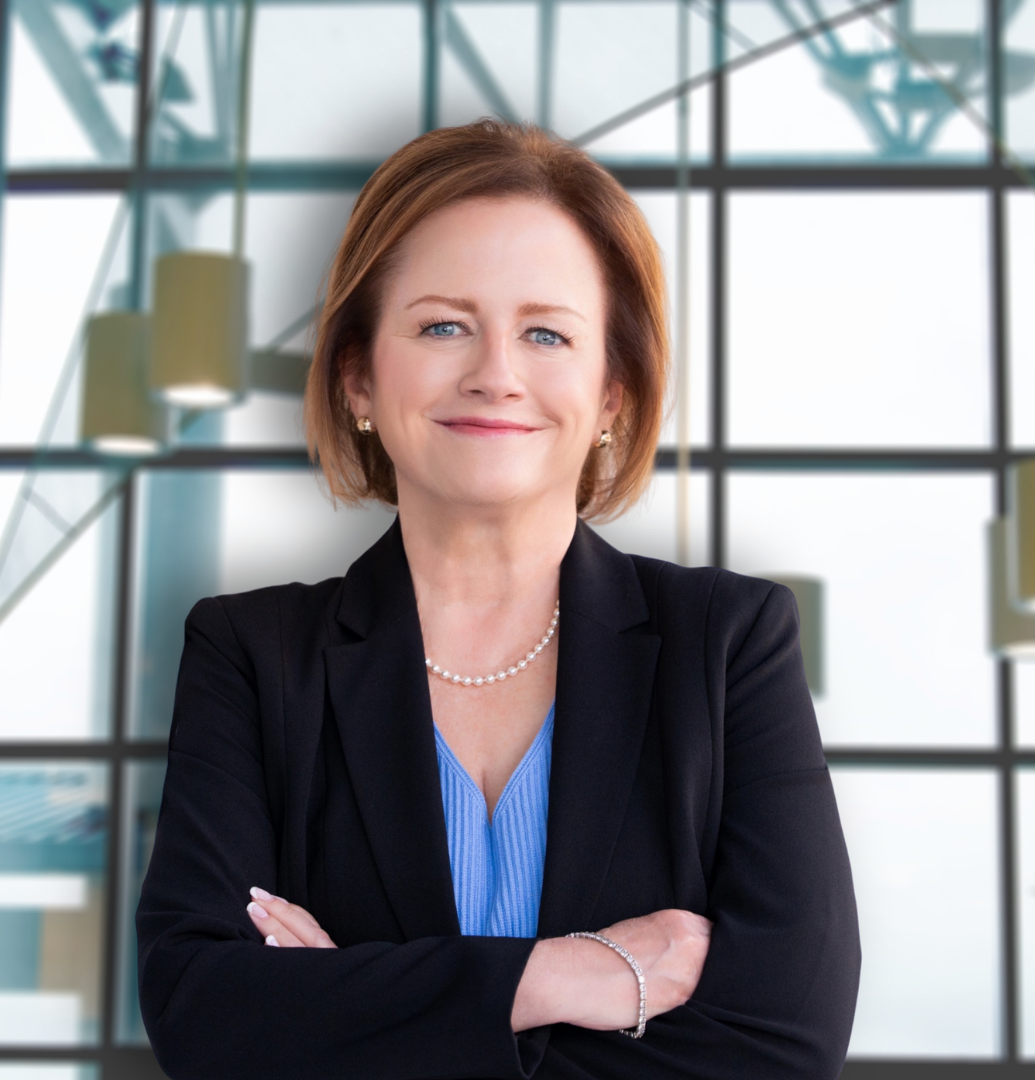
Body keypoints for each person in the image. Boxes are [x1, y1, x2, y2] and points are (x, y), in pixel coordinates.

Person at [136, 119, 859, 1080]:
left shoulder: (729, 645)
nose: (496, 375)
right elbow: (203, 1015)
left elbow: (782, 1045)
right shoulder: (250, 653)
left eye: (547, 333)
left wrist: (358, 1007)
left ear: (612, 393)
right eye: (442, 325)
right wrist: (555, 979)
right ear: (357, 373)